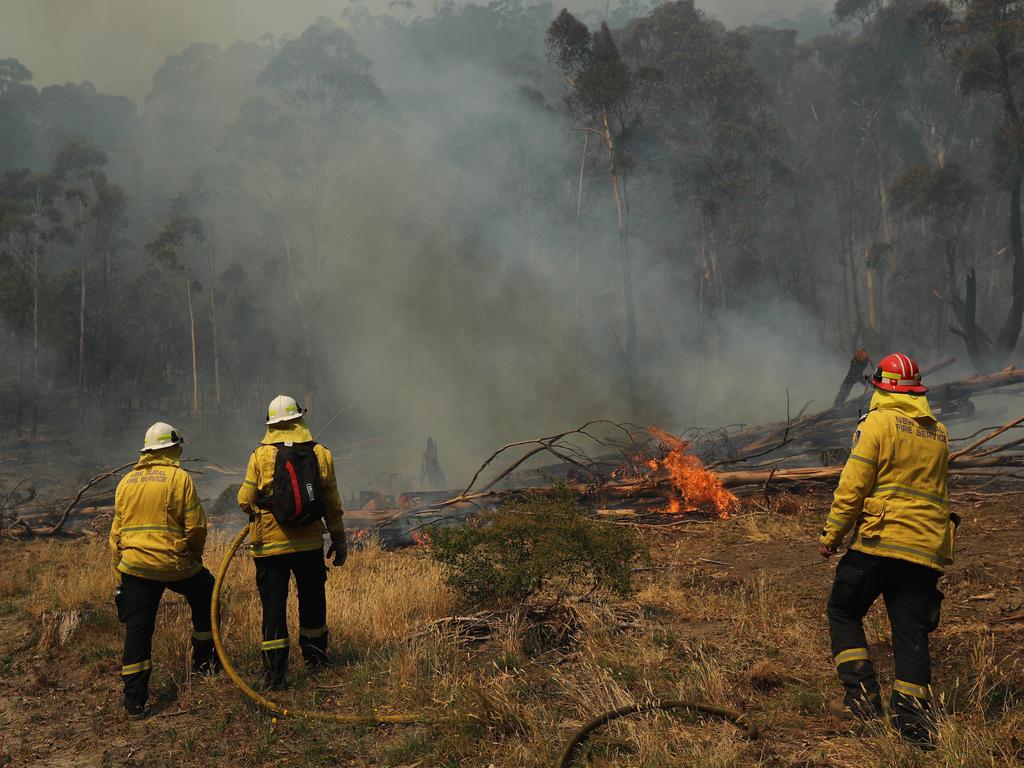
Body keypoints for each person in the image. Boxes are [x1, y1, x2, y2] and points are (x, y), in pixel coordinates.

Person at [820, 353, 956, 746]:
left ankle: (861, 701)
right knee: (910, 631)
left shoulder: (877, 423)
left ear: (882, 387)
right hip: (926, 548)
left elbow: (853, 486)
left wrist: (832, 535)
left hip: (880, 540)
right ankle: (914, 727)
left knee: (843, 609)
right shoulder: (939, 432)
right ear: (917, 392)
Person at [237, 395, 347, 690]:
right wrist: (339, 539)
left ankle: (275, 675)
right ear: (300, 419)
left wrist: (262, 504)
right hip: (309, 546)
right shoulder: (321, 453)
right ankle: (317, 660)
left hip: (269, 548)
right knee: (312, 600)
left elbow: (244, 501)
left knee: (274, 607)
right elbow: (332, 503)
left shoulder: (260, 456)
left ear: (272, 425)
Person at [109, 422, 218, 719]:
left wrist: (123, 566)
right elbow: (195, 525)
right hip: (173, 564)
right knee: (207, 590)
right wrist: (194, 556)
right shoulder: (178, 478)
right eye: (177, 447)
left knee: (138, 632)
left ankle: (133, 702)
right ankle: (204, 661)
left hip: (135, 567)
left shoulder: (126, 481)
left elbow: (115, 533)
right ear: (170, 449)